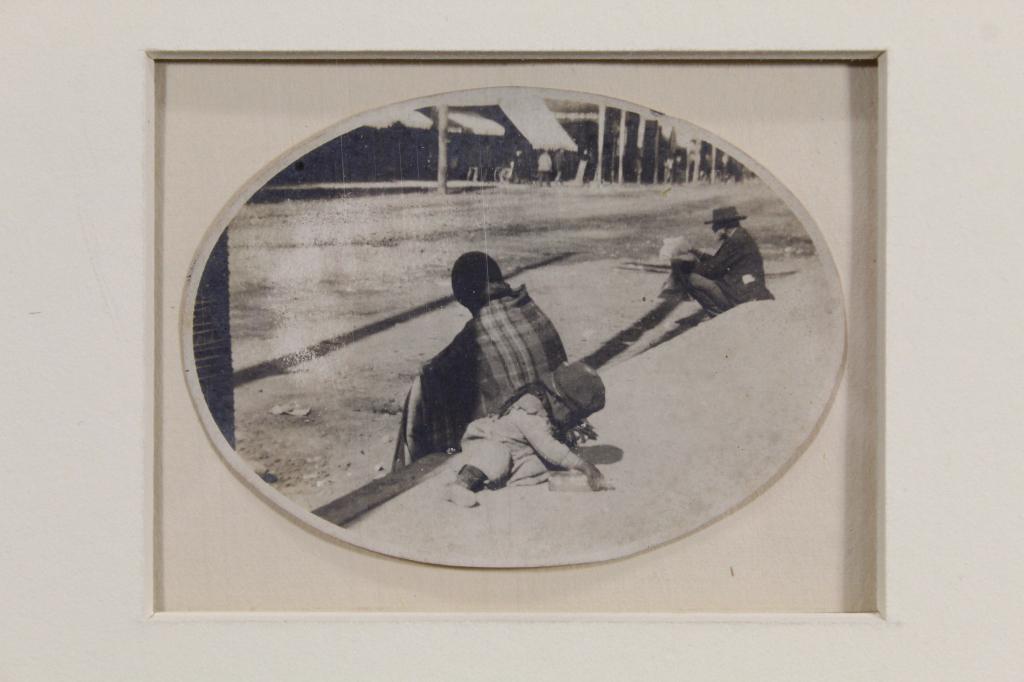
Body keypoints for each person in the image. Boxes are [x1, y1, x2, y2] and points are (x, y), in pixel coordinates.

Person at [392, 252, 568, 469]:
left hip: (518, 444)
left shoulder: (475, 335)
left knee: (424, 387)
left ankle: (410, 471)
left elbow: (434, 373)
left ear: (461, 296)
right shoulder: (533, 312)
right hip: (560, 432)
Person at [444, 361, 610, 507]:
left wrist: (574, 432)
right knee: (496, 455)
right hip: (490, 444)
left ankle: (492, 479)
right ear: (558, 402)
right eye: (571, 415)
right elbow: (549, 447)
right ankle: (461, 485)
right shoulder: (528, 411)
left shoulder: (548, 410)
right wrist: (584, 466)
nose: (570, 420)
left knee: (541, 465)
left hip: (517, 452)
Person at [669, 206, 774, 316]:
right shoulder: (739, 236)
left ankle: (718, 315)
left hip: (742, 295)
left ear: (723, 226)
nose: (713, 229)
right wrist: (693, 250)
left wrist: (688, 267)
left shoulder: (735, 241)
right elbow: (718, 262)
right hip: (745, 290)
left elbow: (712, 270)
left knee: (691, 278)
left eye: (715, 225)